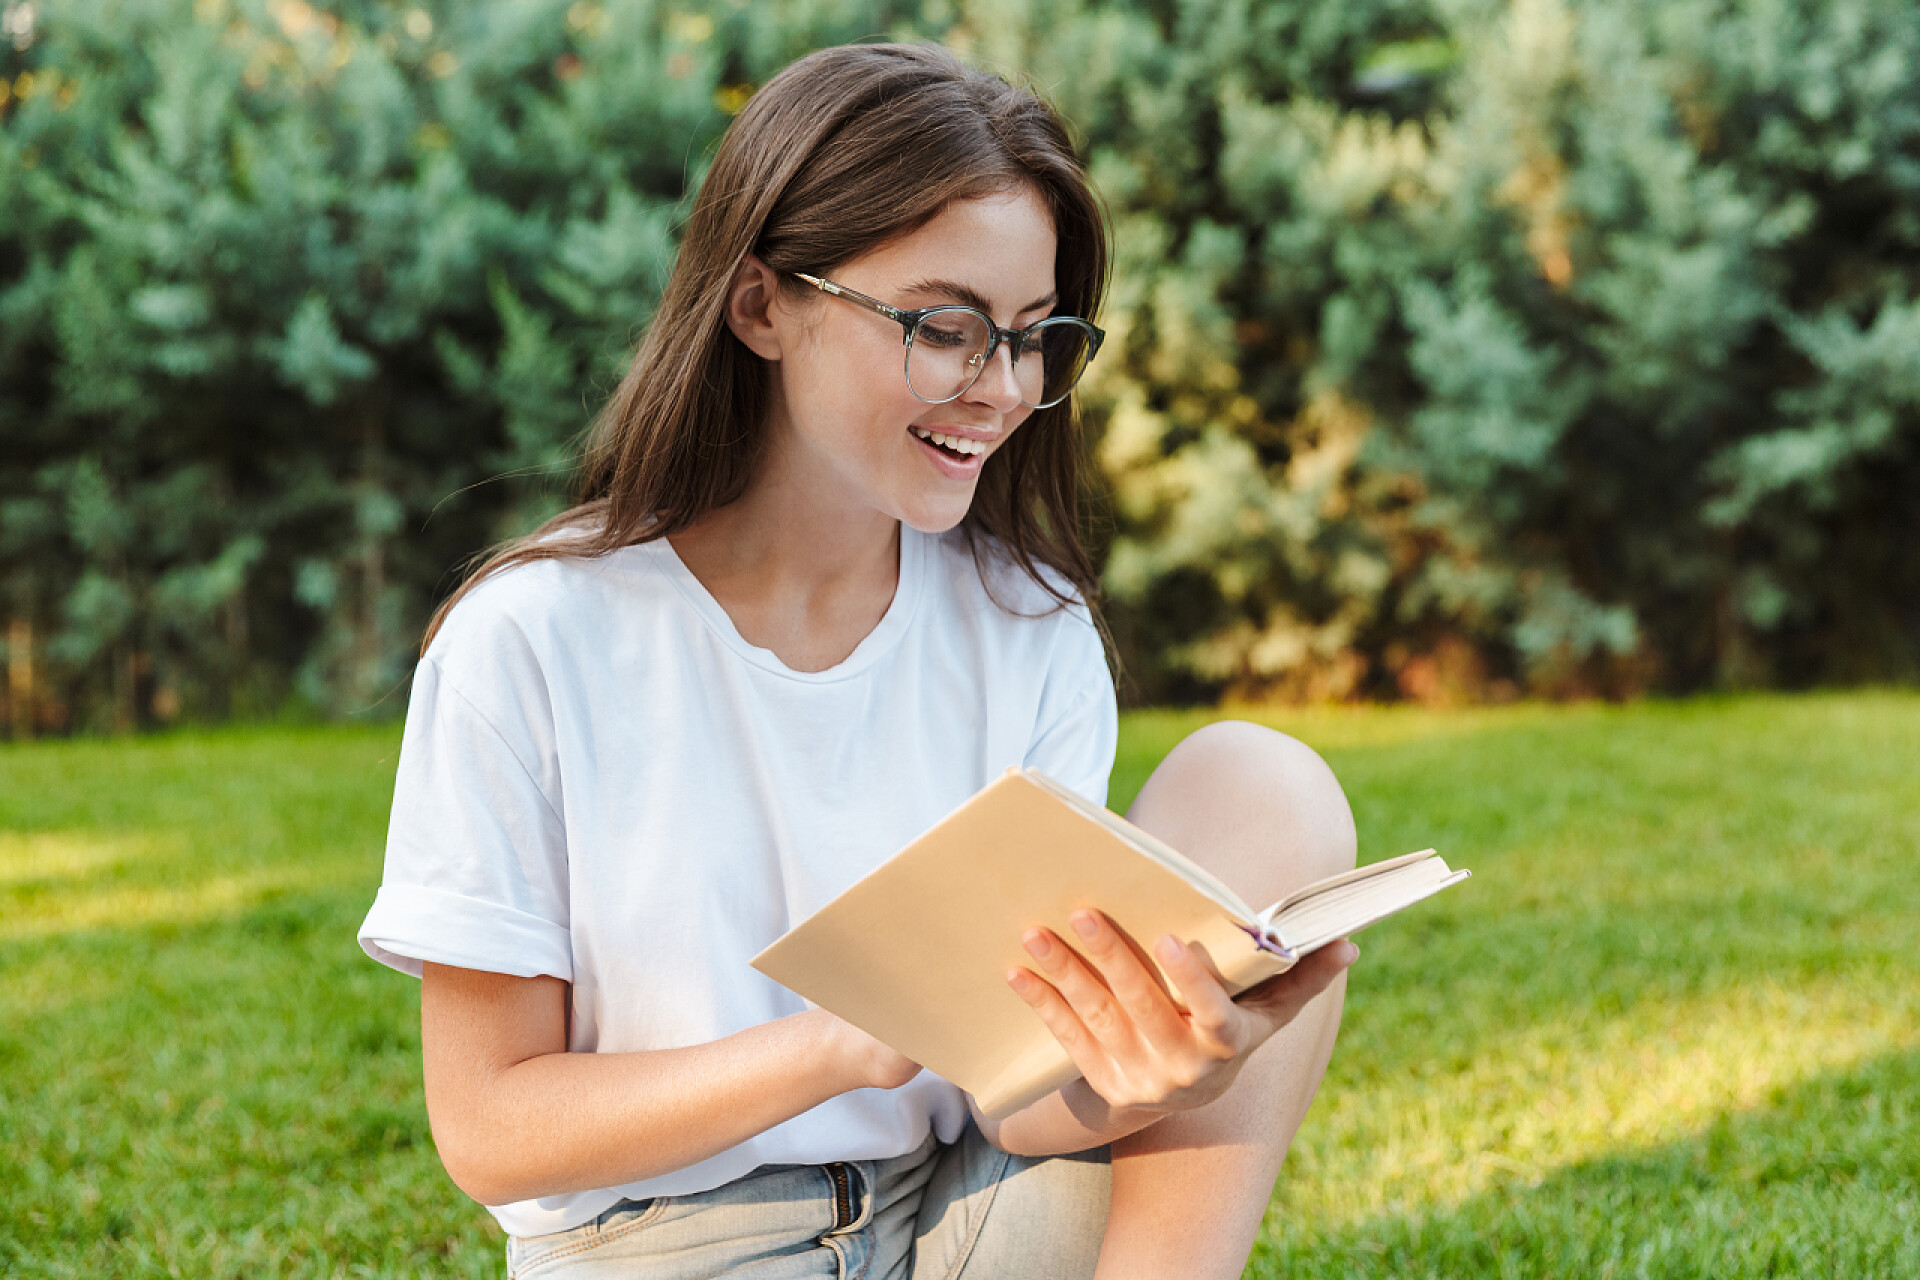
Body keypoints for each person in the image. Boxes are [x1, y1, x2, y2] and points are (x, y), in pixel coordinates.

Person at [358, 41, 1359, 1280]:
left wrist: (1168, 1060)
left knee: (1263, 782)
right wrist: (834, 1045)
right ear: (763, 302)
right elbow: (490, 1126)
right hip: (666, 1248)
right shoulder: (535, 639)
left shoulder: (1028, 627)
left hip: (959, 1209)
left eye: (1035, 334)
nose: (1001, 388)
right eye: (945, 326)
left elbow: (1024, 1108)